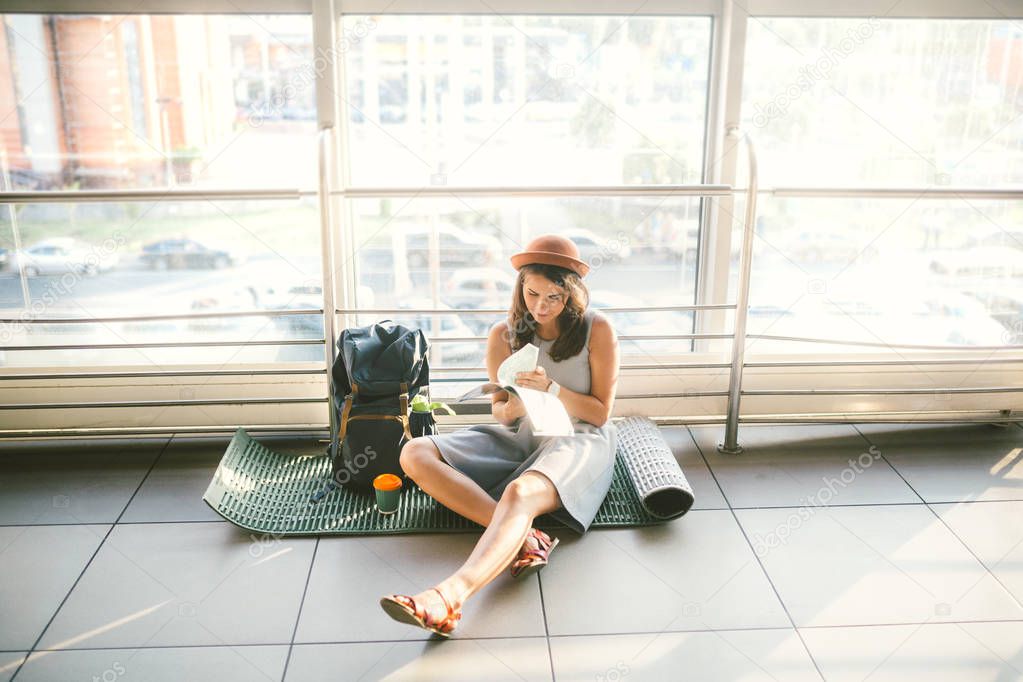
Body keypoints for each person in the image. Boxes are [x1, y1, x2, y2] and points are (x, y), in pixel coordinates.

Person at [379, 233, 620, 637]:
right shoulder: (502, 335)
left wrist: (553, 391)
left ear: (572, 295)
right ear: (521, 287)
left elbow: (600, 412)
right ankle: (526, 538)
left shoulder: (598, 330)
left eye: (552, 298)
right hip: (524, 433)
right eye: (532, 294)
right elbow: (503, 413)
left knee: (519, 494)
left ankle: (448, 597)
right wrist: (521, 401)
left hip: (580, 437)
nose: (540, 307)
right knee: (414, 454)